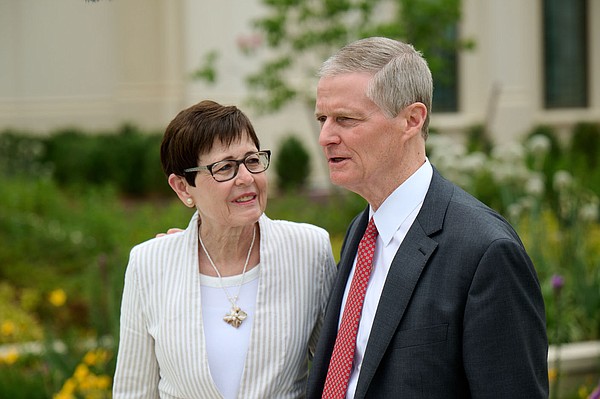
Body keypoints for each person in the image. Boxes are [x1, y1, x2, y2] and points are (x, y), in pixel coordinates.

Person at [305, 37, 549, 398]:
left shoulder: (485, 252)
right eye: (323, 119)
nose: (325, 136)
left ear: (411, 120)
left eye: (346, 119)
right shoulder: (363, 230)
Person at [112, 100, 337, 398]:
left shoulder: (309, 250)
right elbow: (134, 392)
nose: (246, 178)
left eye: (252, 161)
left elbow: (338, 375)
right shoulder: (149, 264)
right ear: (182, 187)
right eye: (225, 167)